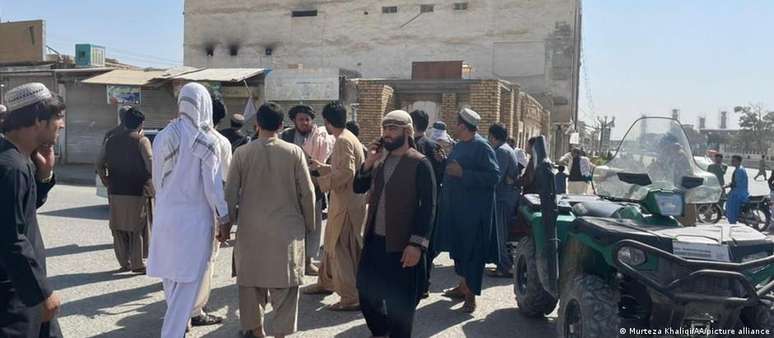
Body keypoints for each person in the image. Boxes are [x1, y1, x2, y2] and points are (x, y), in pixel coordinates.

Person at [223, 102, 316, 338]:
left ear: (256, 125)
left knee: (250, 285)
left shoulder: (242, 153)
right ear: (281, 125)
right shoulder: (294, 152)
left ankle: (256, 331)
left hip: (251, 231)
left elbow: (230, 193)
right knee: (285, 288)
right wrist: (309, 225)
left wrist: (226, 225)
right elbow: (308, 193)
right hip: (286, 232)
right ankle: (280, 334)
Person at [147, 82, 232, 338]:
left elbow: (156, 179)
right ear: (205, 105)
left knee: (172, 282)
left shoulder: (164, 135)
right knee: (188, 286)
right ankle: (172, 334)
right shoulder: (207, 141)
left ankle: (176, 331)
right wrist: (225, 217)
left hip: (165, 220)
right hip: (193, 224)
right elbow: (213, 187)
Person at [353, 110, 436, 338]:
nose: (387, 134)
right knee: (366, 295)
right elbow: (358, 187)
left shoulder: (420, 163)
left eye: (393, 129)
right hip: (375, 242)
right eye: (385, 129)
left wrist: (417, 245)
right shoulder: (380, 160)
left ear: (407, 132)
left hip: (403, 246)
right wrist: (368, 161)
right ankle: (381, 331)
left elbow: (428, 207)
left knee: (401, 306)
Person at [0, 83, 65, 338]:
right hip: (14, 296)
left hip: (21, 289)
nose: (60, 126)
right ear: (38, 119)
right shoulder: (11, 167)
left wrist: (45, 175)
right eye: (57, 120)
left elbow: (21, 211)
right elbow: (11, 237)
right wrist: (42, 293)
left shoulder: (17, 159)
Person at [434, 108, 499, 313]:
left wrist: (464, 174)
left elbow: (493, 177)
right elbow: (453, 167)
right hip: (457, 212)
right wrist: (442, 160)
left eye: (457, 124)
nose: (455, 127)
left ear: (463, 126)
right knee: (460, 252)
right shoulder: (461, 145)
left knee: (472, 255)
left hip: (474, 215)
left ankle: (471, 297)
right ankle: (462, 287)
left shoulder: (482, 147)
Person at [304, 101, 367, 311]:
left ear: (328, 122)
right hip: (345, 203)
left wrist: (320, 183)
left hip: (346, 205)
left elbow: (347, 173)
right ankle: (326, 282)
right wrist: (322, 167)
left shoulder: (342, 141)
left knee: (340, 249)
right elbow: (343, 168)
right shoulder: (348, 137)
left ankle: (350, 297)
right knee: (331, 244)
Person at [188, 96, 233, 328]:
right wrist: (225, 216)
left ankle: (181, 309)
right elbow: (225, 180)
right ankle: (195, 311)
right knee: (205, 261)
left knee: (182, 260)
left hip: (179, 211)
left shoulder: (176, 135)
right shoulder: (218, 141)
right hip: (208, 211)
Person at [98, 107, 153, 274]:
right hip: (136, 190)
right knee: (136, 227)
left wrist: (106, 180)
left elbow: (99, 164)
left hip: (115, 190)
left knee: (118, 227)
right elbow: (150, 164)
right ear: (141, 123)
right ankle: (137, 264)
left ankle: (124, 262)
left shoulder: (111, 140)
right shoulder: (142, 141)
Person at [281, 104, 333, 276]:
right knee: (291, 225)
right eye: (300, 119)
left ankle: (309, 261)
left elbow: (328, 162)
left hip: (315, 188)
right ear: (294, 121)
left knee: (314, 225)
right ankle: (291, 261)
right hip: (291, 189)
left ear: (312, 121)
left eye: (307, 119)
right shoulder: (286, 136)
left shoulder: (321, 137)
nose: (304, 122)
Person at [408, 110, 445, 298]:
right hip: (432, 201)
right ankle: (424, 284)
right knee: (426, 243)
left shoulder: (407, 146)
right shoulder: (435, 147)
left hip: (410, 202)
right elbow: (443, 172)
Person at [485, 122, 519, 279]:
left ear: (492, 136)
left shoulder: (501, 152)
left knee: (501, 234)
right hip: (506, 197)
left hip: (502, 199)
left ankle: (505, 267)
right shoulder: (506, 150)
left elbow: (496, 177)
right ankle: (503, 264)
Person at [726, 155, 750, 224]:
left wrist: (727, 186)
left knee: (731, 209)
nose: (732, 162)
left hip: (738, 193)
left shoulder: (739, 170)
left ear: (739, 162)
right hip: (740, 191)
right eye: (732, 160)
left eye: (734, 161)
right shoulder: (739, 169)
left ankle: (733, 222)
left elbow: (735, 183)